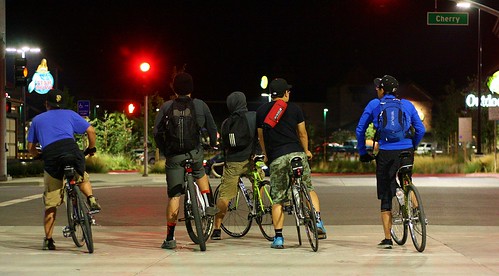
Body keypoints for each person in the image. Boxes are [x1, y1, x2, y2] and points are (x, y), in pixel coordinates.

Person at [355, 75, 425, 249]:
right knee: (406, 178)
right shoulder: (407, 105)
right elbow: (421, 129)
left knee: (386, 192)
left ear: (381, 90)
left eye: (377, 88)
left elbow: (360, 130)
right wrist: (412, 146)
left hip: (386, 153)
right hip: (406, 150)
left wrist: (363, 152)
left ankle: (387, 239)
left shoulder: (374, 105)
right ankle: (416, 212)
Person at [256, 78, 326, 249]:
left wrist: (266, 155)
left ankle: (279, 238)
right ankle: (317, 222)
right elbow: (302, 133)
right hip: (297, 154)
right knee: (308, 188)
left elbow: (261, 136)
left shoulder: (261, 111)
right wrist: (307, 150)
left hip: (278, 158)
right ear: (285, 93)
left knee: (278, 199)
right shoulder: (294, 108)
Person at [27, 89, 101, 251]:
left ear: (47, 104)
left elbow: (31, 147)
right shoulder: (70, 114)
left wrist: (38, 155)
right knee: (82, 177)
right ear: (62, 105)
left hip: (51, 155)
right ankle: (91, 198)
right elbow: (91, 130)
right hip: (71, 150)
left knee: (51, 203)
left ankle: (48, 240)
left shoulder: (37, 120)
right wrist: (91, 148)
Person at [153, 72, 218, 250]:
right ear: (191, 88)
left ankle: (170, 237)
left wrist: (166, 151)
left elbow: (156, 132)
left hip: (174, 157)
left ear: (174, 88)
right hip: (194, 153)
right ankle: (208, 202)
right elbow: (212, 128)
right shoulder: (200, 105)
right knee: (200, 172)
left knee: (174, 196)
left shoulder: (167, 107)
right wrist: (212, 144)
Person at [211, 91, 262, 240]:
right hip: (251, 160)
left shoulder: (227, 123)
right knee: (259, 181)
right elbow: (259, 135)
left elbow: (224, 147)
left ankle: (217, 229)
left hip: (233, 162)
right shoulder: (253, 116)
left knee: (225, 196)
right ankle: (259, 205)